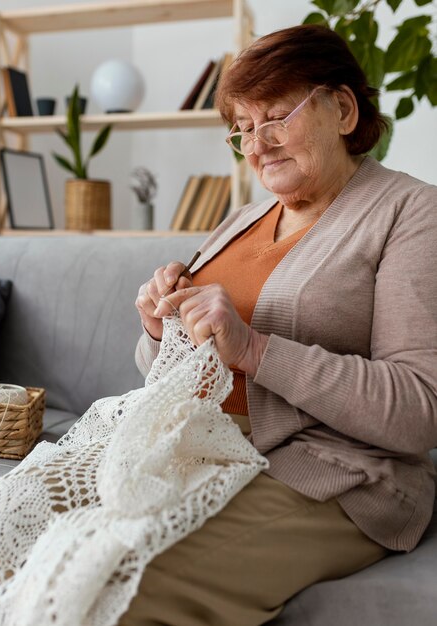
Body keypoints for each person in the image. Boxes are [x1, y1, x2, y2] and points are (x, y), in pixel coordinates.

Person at [129, 23, 437, 626]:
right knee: (15, 536)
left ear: (342, 109)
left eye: (274, 118)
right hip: (200, 450)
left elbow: (420, 408)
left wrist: (257, 348)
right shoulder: (242, 217)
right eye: (243, 130)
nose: (258, 144)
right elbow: (174, 367)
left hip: (334, 474)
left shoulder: (411, 212)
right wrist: (159, 331)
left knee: (129, 579)